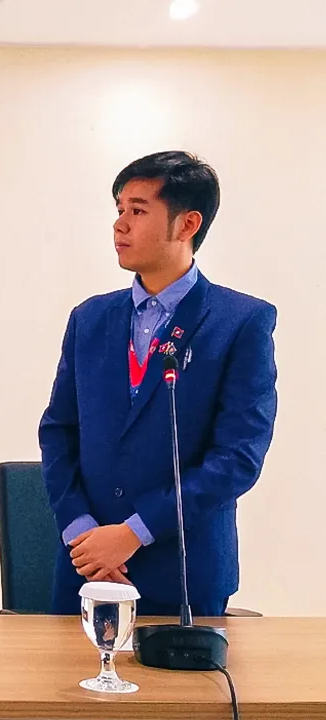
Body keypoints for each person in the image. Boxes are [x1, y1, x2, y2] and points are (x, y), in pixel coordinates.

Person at [39, 151, 278, 617]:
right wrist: (82, 532)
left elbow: (237, 458)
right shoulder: (90, 318)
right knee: (65, 690)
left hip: (183, 571)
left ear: (188, 224)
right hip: (85, 567)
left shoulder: (240, 322)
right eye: (119, 209)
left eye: (138, 210)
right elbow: (58, 431)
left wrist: (133, 533)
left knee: (180, 693)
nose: (120, 225)